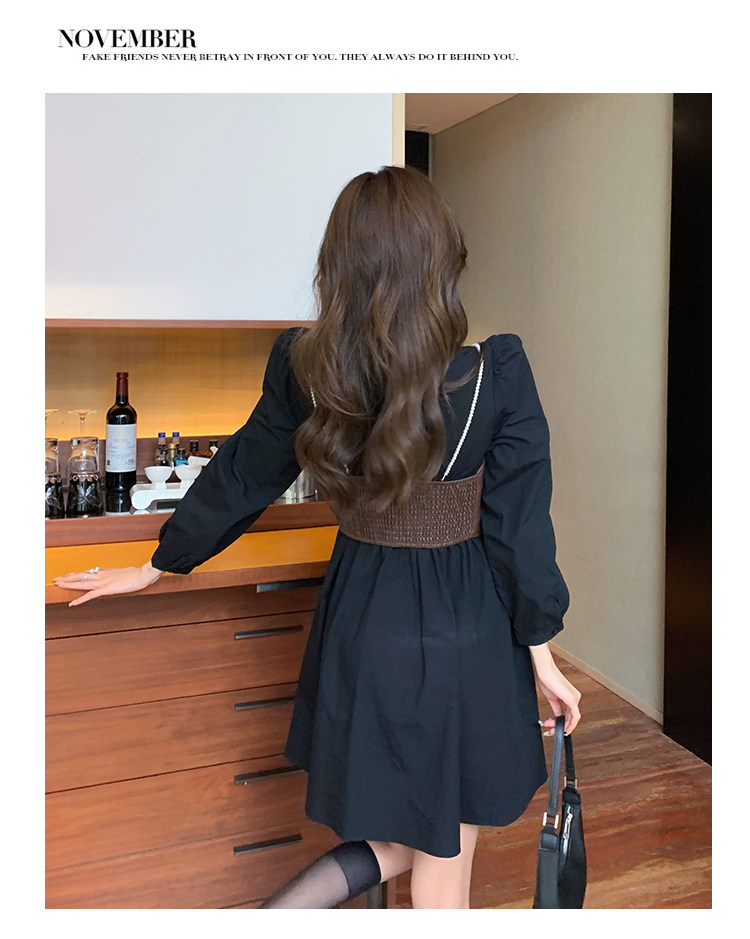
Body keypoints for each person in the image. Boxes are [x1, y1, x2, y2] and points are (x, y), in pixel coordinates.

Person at [54, 164, 582, 910]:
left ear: (340, 265)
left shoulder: (307, 369)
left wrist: (159, 563)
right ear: (439, 261)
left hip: (361, 618)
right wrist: (542, 651)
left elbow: (244, 472)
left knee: (413, 831)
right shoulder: (496, 374)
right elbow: (519, 528)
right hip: (462, 631)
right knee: (444, 851)